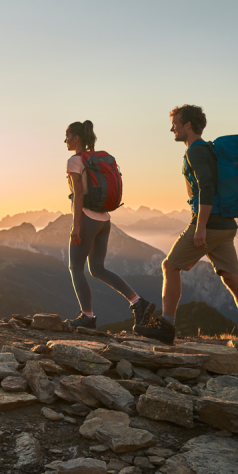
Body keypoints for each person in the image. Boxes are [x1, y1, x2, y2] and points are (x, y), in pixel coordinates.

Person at [134, 105, 238, 349]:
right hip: (226, 225)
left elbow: (207, 188)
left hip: (210, 224)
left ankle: (166, 326)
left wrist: (200, 227)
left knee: (170, 266)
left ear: (188, 125)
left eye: (175, 123)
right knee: (233, 278)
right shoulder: (208, 149)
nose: (172, 128)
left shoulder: (195, 152)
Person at [64, 120, 156, 330]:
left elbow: (78, 195)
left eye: (67, 136)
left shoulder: (75, 161)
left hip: (87, 218)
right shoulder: (95, 159)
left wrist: (75, 226)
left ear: (76, 138)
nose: (65, 140)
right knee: (97, 269)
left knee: (76, 267)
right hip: (104, 220)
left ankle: (87, 316)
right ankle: (138, 302)